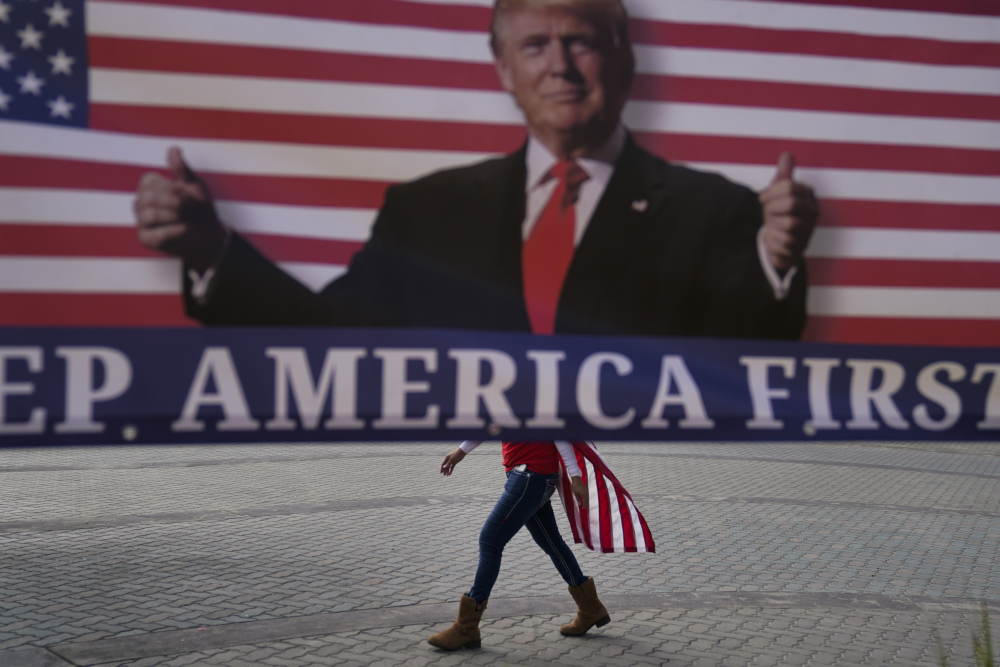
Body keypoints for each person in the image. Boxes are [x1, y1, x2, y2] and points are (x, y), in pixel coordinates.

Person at [134, 0, 818, 339]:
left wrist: (774, 260)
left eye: (580, 40)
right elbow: (332, 337)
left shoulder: (716, 210)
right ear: (503, 70)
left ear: (626, 61)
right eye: (535, 45)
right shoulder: (424, 210)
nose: (559, 64)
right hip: (450, 510)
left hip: (643, 509)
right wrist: (214, 253)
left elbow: (746, 359)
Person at [428, 440, 639, 650]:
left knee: (490, 541)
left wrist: (575, 476)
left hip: (530, 476)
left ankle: (466, 628)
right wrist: (461, 450)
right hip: (530, 476)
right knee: (551, 542)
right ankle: (591, 608)